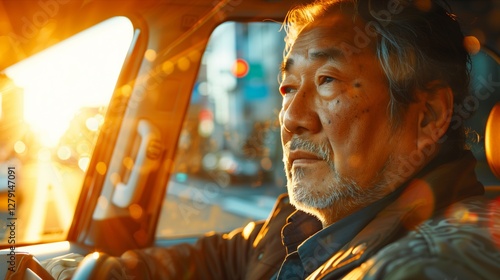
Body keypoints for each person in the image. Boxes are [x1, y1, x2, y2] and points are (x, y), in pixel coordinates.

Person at [43, 0, 500, 279]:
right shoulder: (299, 222)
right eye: (287, 88)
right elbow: (215, 262)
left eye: (326, 81)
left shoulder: (431, 263)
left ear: (429, 116)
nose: (292, 117)